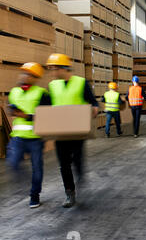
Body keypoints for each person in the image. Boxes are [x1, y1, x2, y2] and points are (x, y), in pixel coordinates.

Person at [46, 53, 99, 208]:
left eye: (54, 69)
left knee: (76, 159)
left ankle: (80, 174)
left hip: (77, 130)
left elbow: (93, 102)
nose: (52, 72)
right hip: (60, 132)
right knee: (64, 164)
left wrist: (94, 109)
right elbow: (47, 107)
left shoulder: (81, 83)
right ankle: (70, 193)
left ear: (63, 68)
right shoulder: (52, 86)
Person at [7, 63, 51, 208]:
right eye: (23, 73)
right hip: (18, 137)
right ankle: (26, 184)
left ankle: (34, 195)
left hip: (35, 139)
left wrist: (26, 115)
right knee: (13, 162)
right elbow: (10, 108)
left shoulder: (41, 94)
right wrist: (12, 111)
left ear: (35, 78)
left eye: (28, 74)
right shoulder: (14, 92)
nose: (24, 76)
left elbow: (47, 116)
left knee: (37, 168)